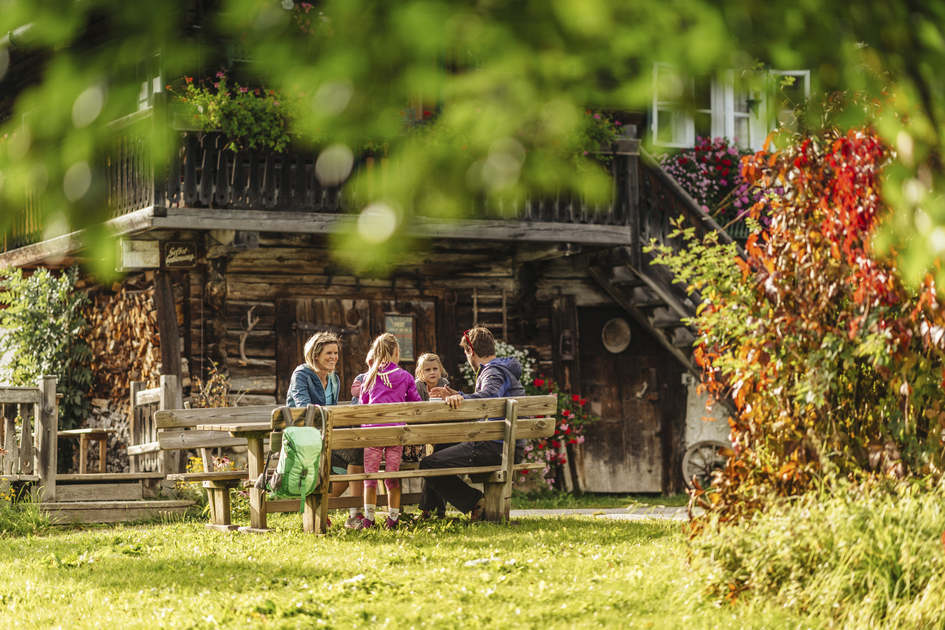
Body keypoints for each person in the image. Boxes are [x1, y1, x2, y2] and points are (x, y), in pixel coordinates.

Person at [424, 326, 526, 521]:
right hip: (500, 443)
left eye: (465, 352)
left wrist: (460, 397)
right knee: (439, 449)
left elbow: (488, 397)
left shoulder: (493, 371)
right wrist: (455, 395)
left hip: (497, 447)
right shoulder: (500, 369)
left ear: (471, 350)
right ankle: (430, 511)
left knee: (429, 464)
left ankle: (476, 502)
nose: (466, 358)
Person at [285, 332, 364, 529]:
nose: (333, 357)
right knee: (356, 454)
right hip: (304, 437)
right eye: (328, 352)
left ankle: (331, 510)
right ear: (315, 354)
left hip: (328, 436)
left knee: (355, 458)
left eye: (336, 353)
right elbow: (304, 408)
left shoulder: (334, 379)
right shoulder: (301, 375)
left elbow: (333, 411)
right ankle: (351, 513)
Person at [358, 333, 422, 529]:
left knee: (370, 479)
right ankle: (393, 519)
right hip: (396, 436)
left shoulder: (369, 377)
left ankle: (369, 520)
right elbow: (416, 404)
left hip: (373, 435)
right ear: (396, 352)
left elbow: (362, 406)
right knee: (391, 477)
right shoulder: (406, 376)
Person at [413, 353, 454, 519]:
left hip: (442, 431)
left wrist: (446, 397)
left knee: (438, 462)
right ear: (420, 373)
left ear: (441, 370)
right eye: (427, 369)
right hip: (422, 430)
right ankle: (433, 510)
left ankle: (429, 510)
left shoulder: (444, 384)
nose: (432, 372)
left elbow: (452, 404)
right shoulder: (418, 386)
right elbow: (414, 409)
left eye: (435, 369)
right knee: (435, 463)